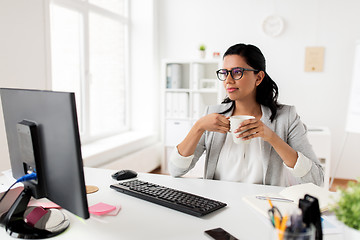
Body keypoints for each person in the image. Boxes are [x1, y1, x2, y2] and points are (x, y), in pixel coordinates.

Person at [168, 43, 324, 187]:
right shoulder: (212, 115)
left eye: (237, 72)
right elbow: (175, 170)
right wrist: (198, 127)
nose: (228, 80)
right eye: (224, 72)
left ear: (258, 77)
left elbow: (316, 180)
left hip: (262, 207)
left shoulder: (286, 117)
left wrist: (272, 137)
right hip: (216, 207)